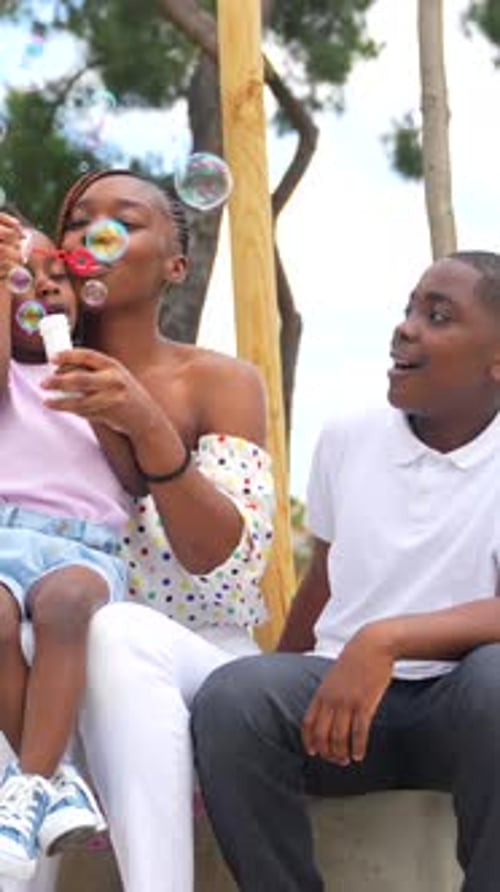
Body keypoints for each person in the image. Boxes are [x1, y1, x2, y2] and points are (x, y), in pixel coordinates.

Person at [191, 250, 500, 892]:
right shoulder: (349, 437)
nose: (407, 328)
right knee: (235, 696)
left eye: (439, 316)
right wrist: (280, 670)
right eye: (410, 309)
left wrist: (386, 639)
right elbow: (326, 577)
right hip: (344, 714)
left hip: (468, 713)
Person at [17, 167, 273, 892]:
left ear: (176, 265)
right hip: (52, 652)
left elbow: (221, 565)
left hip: (196, 656)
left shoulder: (215, 381)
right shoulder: (24, 379)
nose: (91, 235)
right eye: (77, 222)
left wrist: (141, 420)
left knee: (112, 630)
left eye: (124, 221)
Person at [0, 213, 147, 883]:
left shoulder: (105, 381)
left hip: (81, 552)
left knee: (64, 608)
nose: (47, 288)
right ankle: (47, 784)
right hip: (3, 541)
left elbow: (132, 476)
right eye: (29, 278)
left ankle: (30, 782)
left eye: (62, 278)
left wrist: (103, 404)